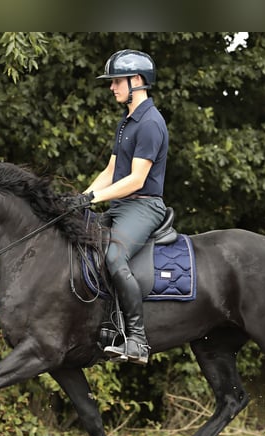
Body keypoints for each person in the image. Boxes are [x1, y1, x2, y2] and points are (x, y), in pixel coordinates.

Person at [82, 49, 168, 366]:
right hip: (121, 205)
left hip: (143, 206)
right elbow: (111, 170)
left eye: (116, 81)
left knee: (115, 257)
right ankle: (107, 326)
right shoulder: (127, 122)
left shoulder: (150, 124)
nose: (112, 88)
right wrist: (80, 197)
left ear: (137, 81)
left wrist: (92, 200)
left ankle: (137, 340)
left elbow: (136, 179)